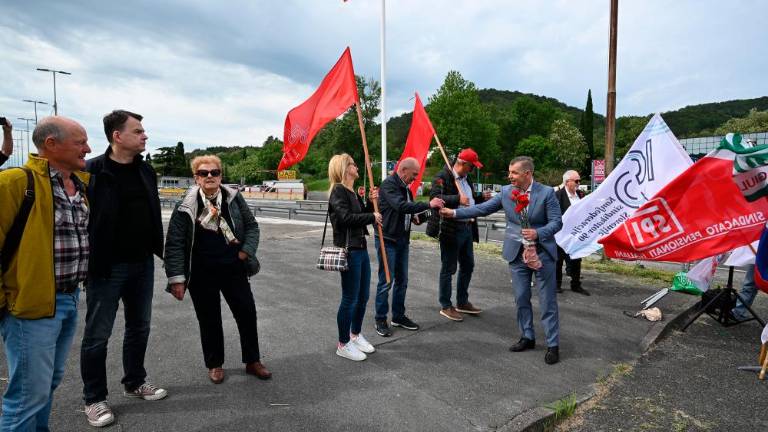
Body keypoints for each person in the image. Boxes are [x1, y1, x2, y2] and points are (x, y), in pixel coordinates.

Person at [0, 116, 91, 430]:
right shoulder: (14, 182)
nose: (88, 149)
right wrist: (6, 301)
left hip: (67, 299)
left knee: (45, 385)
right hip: (30, 306)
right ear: (51, 144)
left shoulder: (80, 184)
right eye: (80, 142)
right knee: (27, 395)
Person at [81, 110, 166, 428]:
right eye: (138, 131)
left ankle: (134, 381)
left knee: (139, 327)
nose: (145, 135)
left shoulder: (147, 171)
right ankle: (94, 399)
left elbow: (153, 215)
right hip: (106, 267)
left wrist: (162, 254)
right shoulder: (92, 171)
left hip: (142, 263)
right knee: (97, 335)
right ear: (117, 136)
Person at [441, 156, 563, 364]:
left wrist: (538, 233)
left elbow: (557, 222)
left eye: (514, 173)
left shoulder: (547, 193)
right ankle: (527, 337)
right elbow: (483, 209)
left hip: (542, 254)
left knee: (547, 301)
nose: (510, 176)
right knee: (521, 297)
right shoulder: (507, 192)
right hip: (516, 253)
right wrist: (454, 212)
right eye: (509, 172)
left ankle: (553, 344)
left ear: (527, 173)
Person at [165, 155, 271, 382]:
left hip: (234, 267)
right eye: (204, 173)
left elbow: (252, 226)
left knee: (246, 313)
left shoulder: (233, 197)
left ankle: (252, 361)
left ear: (221, 175)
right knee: (209, 318)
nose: (210, 176)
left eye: (214, 172)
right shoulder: (186, 204)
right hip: (201, 271)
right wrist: (177, 278)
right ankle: (215, 364)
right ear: (196, 178)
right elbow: (174, 243)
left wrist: (246, 251)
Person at [374, 157, 445, 336]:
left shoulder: (405, 188)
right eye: (413, 175)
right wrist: (428, 204)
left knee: (402, 281)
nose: (415, 178)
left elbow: (405, 210)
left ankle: (398, 316)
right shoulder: (389, 185)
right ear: (403, 170)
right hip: (387, 240)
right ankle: (380, 319)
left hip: (402, 240)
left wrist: (416, 217)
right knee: (386, 281)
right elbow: (400, 206)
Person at [327, 154, 382, 361]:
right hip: (349, 250)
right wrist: (372, 216)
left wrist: (370, 203)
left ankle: (355, 334)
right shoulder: (338, 191)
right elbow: (346, 218)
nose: (357, 167)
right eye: (353, 164)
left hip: (360, 247)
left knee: (362, 296)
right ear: (343, 168)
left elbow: (362, 215)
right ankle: (343, 343)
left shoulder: (352, 192)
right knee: (350, 298)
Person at [426, 148, 490, 321]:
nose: (473, 170)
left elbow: (468, 199)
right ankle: (446, 305)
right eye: (471, 167)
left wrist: (480, 197)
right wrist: (456, 199)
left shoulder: (466, 179)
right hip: (450, 229)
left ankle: (462, 301)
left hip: (467, 228)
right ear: (463, 163)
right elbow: (434, 198)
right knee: (449, 268)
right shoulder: (442, 176)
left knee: (468, 265)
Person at [555, 170, 589, 295]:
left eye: (579, 181)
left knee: (576, 259)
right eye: (576, 181)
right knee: (558, 260)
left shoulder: (580, 195)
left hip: (576, 235)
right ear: (567, 182)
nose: (578, 183)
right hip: (561, 234)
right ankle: (556, 285)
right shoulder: (557, 196)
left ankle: (576, 284)